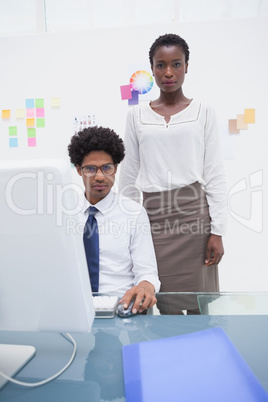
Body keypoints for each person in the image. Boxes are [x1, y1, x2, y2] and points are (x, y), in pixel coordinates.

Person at [119, 33, 227, 313]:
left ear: (187, 66)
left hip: (194, 216)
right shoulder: (136, 115)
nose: (168, 72)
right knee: (162, 297)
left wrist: (217, 231)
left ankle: (200, 352)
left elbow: (214, 172)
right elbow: (129, 175)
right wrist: (129, 226)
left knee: (198, 302)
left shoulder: (204, 111)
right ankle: (169, 351)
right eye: (160, 65)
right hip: (153, 219)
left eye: (176, 64)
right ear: (152, 68)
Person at [67, 126, 160, 314]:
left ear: (116, 168)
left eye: (107, 168)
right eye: (90, 169)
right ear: (78, 170)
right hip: (72, 307)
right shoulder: (64, 212)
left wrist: (146, 285)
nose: (100, 176)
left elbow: (147, 271)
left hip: (120, 306)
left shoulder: (133, 213)